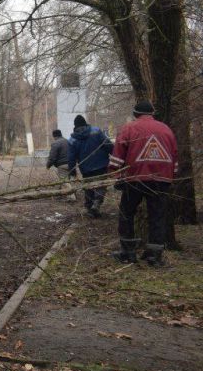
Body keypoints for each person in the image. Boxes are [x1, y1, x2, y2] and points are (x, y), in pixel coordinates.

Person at [108, 100, 178, 266]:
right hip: (161, 179)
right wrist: (172, 175)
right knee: (157, 216)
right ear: (152, 113)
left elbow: (117, 156)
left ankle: (128, 252)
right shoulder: (166, 129)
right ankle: (154, 256)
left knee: (126, 213)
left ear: (135, 113)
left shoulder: (129, 128)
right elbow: (174, 155)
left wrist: (114, 173)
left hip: (135, 178)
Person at [68, 115, 113, 218]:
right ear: (85, 123)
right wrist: (115, 154)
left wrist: (72, 170)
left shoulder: (72, 140)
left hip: (86, 168)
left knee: (88, 187)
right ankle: (96, 203)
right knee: (100, 185)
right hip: (101, 165)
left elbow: (71, 157)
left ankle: (89, 207)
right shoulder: (96, 131)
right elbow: (107, 145)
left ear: (75, 126)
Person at [46, 129, 75, 202]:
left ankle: (72, 197)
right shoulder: (68, 141)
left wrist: (48, 165)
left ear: (54, 136)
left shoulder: (56, 143)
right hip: (72, 163)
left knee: (64, 181)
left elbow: (52, 157)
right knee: (67, 180)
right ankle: (62, 193)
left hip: (62, 165)